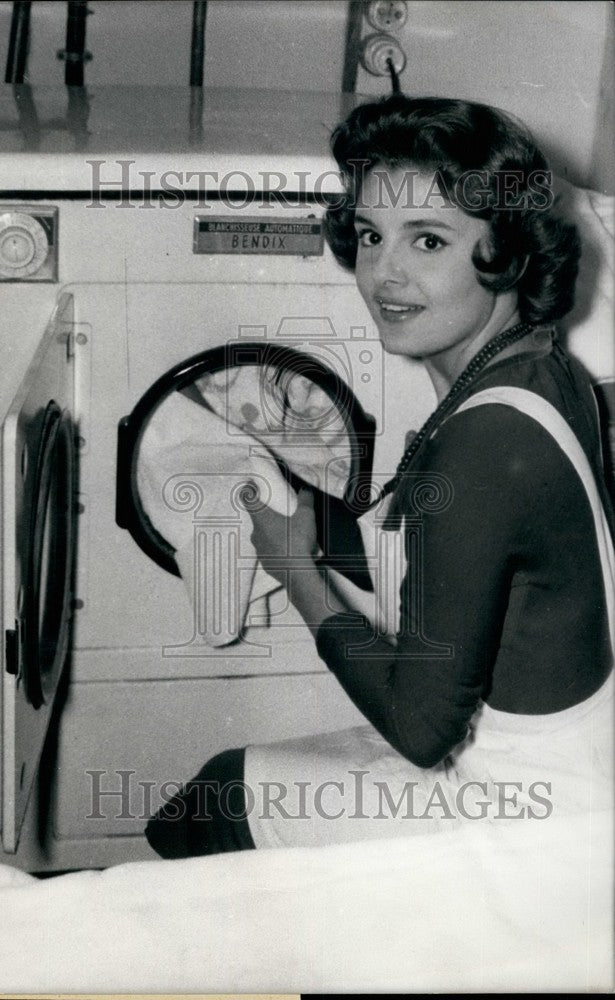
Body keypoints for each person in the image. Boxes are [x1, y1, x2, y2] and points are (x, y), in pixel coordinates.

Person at [145, 95, 614, 858]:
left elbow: (421, 732)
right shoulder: (541, 369)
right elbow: (467, 559)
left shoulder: (486, 440)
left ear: (510, 250)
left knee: (211, 801)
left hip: (520, 823)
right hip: (566, 771)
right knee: (216, 793)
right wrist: (306, 512)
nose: (382, 275)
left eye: (427, 240)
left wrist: (297, 569)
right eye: (369, 235)